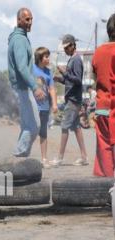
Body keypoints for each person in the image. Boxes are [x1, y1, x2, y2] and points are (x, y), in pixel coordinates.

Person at [8, 8, 45, 157]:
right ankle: (18, 154)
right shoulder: (19, 40)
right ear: (18, 20)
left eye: (31, 19)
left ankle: (21, 160)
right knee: (34, 126)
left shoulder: (19, 38)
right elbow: (22, 67)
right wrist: (34, 87)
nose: (30, 22)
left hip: (22, 87)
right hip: (22, 88)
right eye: (26, 19)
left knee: (26, 127)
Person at [52, 34, 88, 166]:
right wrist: (60, 79)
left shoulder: (76, 60)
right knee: (76, 127)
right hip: (72, 98)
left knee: (64, 127)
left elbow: (78, 80)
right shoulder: (72, 59)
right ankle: (84, 157)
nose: (66, 50)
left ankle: (60, 157)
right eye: (65, 48)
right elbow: (70, 81)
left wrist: (64, 73)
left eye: (67, 47)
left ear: (73, 45)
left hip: (73, 100)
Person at [92, 13, 115, 177]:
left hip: (101, 109)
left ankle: (105, 193)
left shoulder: (98, 52)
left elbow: (96, 79)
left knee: (104, 150)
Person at [33, 47, 58, 167]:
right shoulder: (31, 69)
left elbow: (52, 89)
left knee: (43, 133)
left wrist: (54, 104)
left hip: (44, 107)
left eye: (48, 56)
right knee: (31, 131)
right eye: (46, 56)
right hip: (33, 107)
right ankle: (24, 156)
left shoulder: (49, 72)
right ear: (39, 58)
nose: (48, 58)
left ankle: (44, 159)